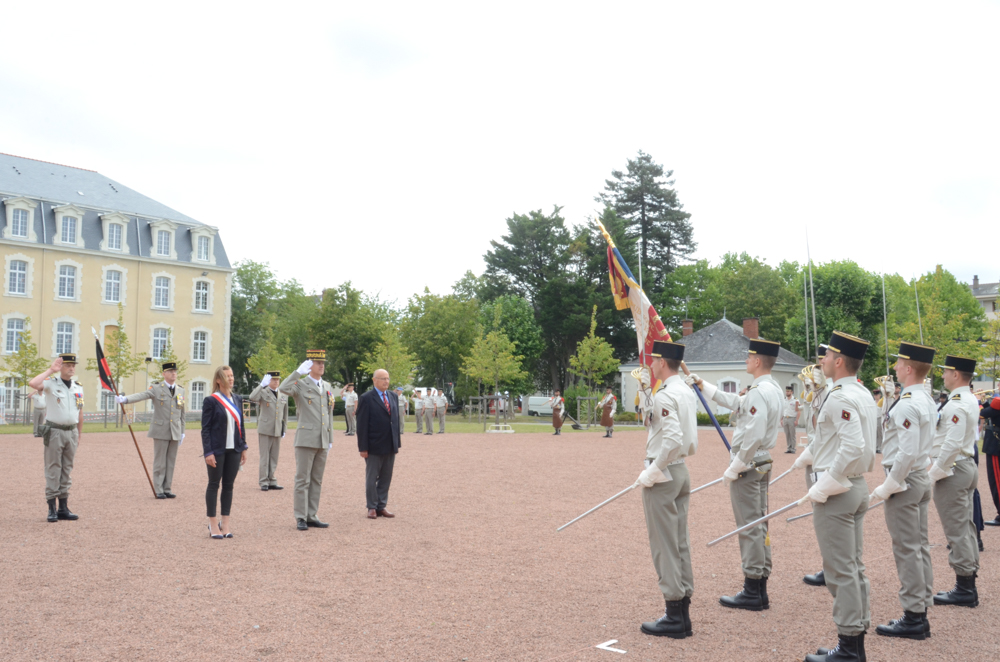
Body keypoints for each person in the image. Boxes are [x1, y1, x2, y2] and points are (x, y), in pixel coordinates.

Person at [688, 338, 782, 611]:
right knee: (759, 523)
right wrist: (704, 386)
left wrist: (736, 465)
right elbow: (736, 402)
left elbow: (752, 434)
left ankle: (753, 588)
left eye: (748, 357)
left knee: (749, 525)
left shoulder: (758, 391)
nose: (745, 361)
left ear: (757, 361)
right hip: (762, 461)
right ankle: (759, 585)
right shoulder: (771, 388)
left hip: (749, 465)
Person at [801, 331, 877, 662]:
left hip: (838, 491)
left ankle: (848, 647)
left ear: (840, 361)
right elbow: (836, 438)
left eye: (827, 355)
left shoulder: (839, 396)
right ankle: (855, 640)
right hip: (856, 486)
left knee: (840, 571)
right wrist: (810, 453)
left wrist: (828, 479)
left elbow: (854, 445)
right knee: (853, 567)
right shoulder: (859, 392)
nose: (822, 360)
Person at [870, 342, 937, 640]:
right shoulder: (923, 398)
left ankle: (914, 616)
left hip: (906, 480)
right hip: (918, 477)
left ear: (909, 368)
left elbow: (906, 452)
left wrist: (891, 483)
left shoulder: (909, 402)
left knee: (907, 550)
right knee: (919, 547)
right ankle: (920, 608)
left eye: (898, 363)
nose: (895, 367)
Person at [636, 341, 697, 638]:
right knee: (679, 540)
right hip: (681, 470)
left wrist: (654, 468)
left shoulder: (668, 394)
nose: (651, 364)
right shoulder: (684, 390)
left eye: (654, 360)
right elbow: (652, 421)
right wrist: (646, 391)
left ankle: (674, 614)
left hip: (665, 473)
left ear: (662, 362)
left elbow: (669, 439)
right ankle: (682, 611)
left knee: (664, 544)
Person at [928, 355, 980, 607]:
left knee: (957, 529)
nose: (943, 375)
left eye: (946, 371)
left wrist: (935, 471)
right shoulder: (966, 398)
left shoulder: (958, 403)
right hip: (963, 465)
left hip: (953, 468)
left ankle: (964, 587)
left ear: (956, 374)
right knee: (965, 526)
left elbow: (952, 443)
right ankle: (968, 579)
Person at [280, 350, 335, 532]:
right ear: (309, 366)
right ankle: (301, 517)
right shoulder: (300, 384)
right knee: (302, 480)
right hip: (306, 439)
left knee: (317, 480)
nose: (322, 365)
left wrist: (330, 437)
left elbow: (328, 413)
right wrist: (297, 372)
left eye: (322, 362)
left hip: (322, 438)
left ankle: (312, 515)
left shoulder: (326, 385)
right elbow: (283, 388)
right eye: (318, 362)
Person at [28, 354, 84, 523]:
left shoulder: (78, 387)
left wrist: (79, 435)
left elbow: (80, 413)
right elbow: (33, 383)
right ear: (61, 367)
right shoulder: (51, 384)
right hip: (54, 432)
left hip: (71, 432)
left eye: (73, 365)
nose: (71, 368)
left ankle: (63, 507)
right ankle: (51, 507)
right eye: (67, 365)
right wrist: (50, 370)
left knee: (67, 469)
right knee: (53, 468)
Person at [117, 362, 185, 499]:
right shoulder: (156, 388)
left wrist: (183, 431)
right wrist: (126, 399)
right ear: (164, 374)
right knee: (160, 461)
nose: (174, 373)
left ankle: (167, 488)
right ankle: (159, 489)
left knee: (171, 461)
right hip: (161, 429)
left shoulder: (180, 390)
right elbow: (142, 395)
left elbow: (182, 411)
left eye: (175, 371)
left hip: (175, 430)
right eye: (170, 371)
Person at [200, 365, 247, 539]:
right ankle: (213, 524)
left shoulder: (237, 399)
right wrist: (208, 452)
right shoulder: (211, 401)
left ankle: (225, 523)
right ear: (218, 380)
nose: (231, 378)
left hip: (234, 448)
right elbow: (205, 429)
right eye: (227, 376)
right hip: (217, 449)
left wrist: (244, 447)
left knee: (229, 486)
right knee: (214, 485)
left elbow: (240, 425)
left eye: (232, 375)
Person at [796, 347, 830, 588]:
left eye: (823, 360)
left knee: (827, 517)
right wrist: (813, 389)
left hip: (824, 460)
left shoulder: (833, 392)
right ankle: (829, 564)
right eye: (818, 361)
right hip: (814, 457)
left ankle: (832, 567)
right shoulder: (819, 390)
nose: (819, 365)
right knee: (821, 517)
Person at [357, 368, 401, 519]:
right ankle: (372, 507)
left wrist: (397, 443)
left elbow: (395, 421)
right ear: (374, 380)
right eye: (382, 378)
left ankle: (381, 505)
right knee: (372, 477)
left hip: (390, 444)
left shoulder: (393, 396)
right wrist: (363, 447)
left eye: (387, 378)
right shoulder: (366, 398)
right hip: (373, 445)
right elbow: (361, 425)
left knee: (386, 476)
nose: (386, 381)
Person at [249, 371, 288, 491]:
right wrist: (261, 385)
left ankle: (272, 480)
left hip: (277, 428)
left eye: (278, 380)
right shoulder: (263, 392)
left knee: (274, 457)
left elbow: (284, 414)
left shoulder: (283, 394)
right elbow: (252, 397)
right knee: (265, 456)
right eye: (273, 380)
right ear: (269, 381)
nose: (276, 382)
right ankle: (263, 481)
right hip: (265, 429)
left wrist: (284, 428)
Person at [982, 397, 1000, 527]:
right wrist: (984, 402)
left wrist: (980, 402)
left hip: (995, 446)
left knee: (997, 483)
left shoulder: (998, 401)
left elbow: (984, 413)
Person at [782, 385, 801, 454]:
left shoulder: (795, 400)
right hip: (785, 418)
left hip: (792, 418)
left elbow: (798, 411)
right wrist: (781, 419)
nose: (787, 392)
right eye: (786, 391)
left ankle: (793, 448)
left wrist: (797, 420)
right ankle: (789, 448)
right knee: (787, 434)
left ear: (792, 392)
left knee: (792, 434)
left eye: (788, 391)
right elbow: (783, 410)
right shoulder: (784, 400)